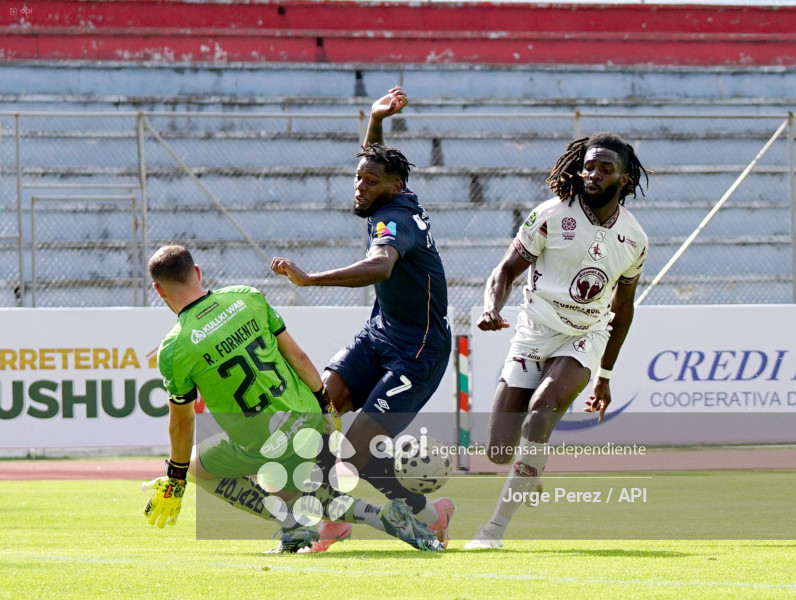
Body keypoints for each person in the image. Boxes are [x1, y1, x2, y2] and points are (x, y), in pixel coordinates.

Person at [143, 244, 442, 552]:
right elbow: (298, 357)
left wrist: (175, 478)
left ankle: (300, 525)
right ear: (197, 272)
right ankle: (380, 516)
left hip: (262, 441)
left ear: (158, 290)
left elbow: (182, 420)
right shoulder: (246, 297)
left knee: (196, 467)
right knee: (287, 489)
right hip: (308, 417)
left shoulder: (175, 348)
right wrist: (326, 406)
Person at [270, 87, 455, 551]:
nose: (360, 186)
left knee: (358, 451)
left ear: (392, 190)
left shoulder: (395, 220)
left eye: (369, 182)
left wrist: (311, 281)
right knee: (317, 412)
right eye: (358, 178)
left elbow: (381, 267)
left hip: (419, 350)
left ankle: (432, 515)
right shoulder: (388, 195)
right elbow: (376, 162)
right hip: (379, 335)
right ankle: (333, 519)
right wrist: (376, 118)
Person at [463, 133, 649, 549]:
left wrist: (604, 375)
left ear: (625, 179)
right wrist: (492, 307)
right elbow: (505, 270)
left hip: (585, 334)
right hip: (533, 332)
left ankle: (492, 531)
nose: (593, 173)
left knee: (542, 411)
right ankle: (532, 467)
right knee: (497, 451)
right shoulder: (549, 215)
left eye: (605, 168)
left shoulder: (635, 239)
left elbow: (624, 308)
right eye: (588, 166)